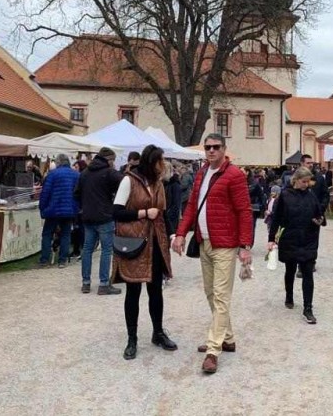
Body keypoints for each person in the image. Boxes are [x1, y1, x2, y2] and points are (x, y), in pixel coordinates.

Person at [172, 133, 253, 374]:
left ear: (224, 149)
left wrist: (245, 246)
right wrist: (180, 233)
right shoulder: (201, 174)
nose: (211, 151)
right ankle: (226, 338)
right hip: (204, 241)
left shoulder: (234, 175)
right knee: (210, 293)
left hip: (225, 244)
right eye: (207, 147)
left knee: (220, 295)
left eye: (216, 147)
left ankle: (213, 349)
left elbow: (244, 211)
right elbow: (191, 206)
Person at [112, 145, 177, 360]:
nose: (163, 165)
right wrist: (143, 213)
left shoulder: (158, 183)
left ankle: (157, 333)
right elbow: (116, 212)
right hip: (135, 243)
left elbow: (163, 214)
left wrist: (173, 235)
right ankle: (132, 339)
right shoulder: (128, 181)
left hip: (156, 243)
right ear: (151, 162)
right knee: (133, 291)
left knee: (155, 291)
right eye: (160, 161)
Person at [268, 167, 323, 323]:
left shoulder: (311, 196)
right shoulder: (284, 196)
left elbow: (320, 215)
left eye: (308, 182)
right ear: (296, 180)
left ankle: (308, 308)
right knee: (290, 270)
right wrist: (271, 239)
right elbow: (276, 219)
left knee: (308, 273)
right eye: (303, 181)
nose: (306, 184)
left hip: (308, 239)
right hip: (290, 238)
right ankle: (289, 295)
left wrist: (319, 220)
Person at [74, 147, 123, 295]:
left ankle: (86, 283)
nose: (113, 163)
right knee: (106, 250)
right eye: (113, 160)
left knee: (87, 250)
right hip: (105, 216)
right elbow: (125, 183)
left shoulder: (84, 173)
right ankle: (103, 284)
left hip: (88, 216)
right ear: (109, 159)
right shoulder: (109, 172)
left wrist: (84, 206)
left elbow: (76, 194)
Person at [38, 154, 80, 268]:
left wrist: (42, 208)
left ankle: (44, 260)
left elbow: (45, 193)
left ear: (59, 162)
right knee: (66, 234)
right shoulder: (76, 175)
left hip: (52, 210)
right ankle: (62, 261)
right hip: (69, 210)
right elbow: (79, 194)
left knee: (47, 234)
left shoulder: (52, 174)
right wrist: (76, 208)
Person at [70, 159, 89, 261]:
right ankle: (76, 250)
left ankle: (82, 250)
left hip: (82, 208)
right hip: (77, 207)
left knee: (81, 230)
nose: (75, 169)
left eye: (77, 167)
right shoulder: (79, 177)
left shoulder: (83, 178)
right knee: (76, 230)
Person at [247, 169, 266, 244]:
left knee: (251, 226)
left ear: (247, 172)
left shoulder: (255, 183)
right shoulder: (238, 181)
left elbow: (261, 195)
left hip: (252, 207)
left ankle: (249, 243)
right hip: (241, 207)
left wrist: (262, 207)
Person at [163, 162, 182, 233]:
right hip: (165, 220)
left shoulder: (175, 185)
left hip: (170, 221)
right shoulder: (165, 183)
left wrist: (166, 216)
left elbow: (176, 206)